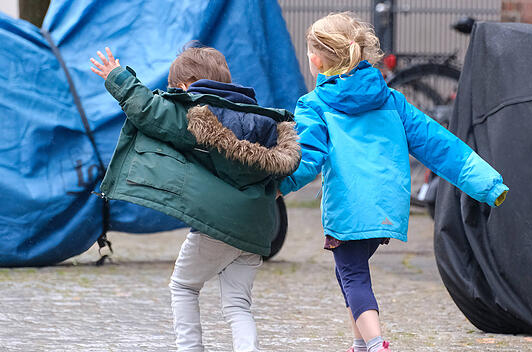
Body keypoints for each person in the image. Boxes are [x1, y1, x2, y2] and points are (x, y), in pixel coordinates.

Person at [278, 13, 509, 352]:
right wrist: (487, 183)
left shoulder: (314, 106)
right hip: (389, 206)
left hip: (351, 207)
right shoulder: (392, 99)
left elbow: (306, 160)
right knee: (348, 273)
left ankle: (375, 344)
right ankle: (359, 344)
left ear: (316, 60)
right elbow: (439, 145)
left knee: (353, 274)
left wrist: (272, 186)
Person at [90, 44, 300, 352]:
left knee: (184, 286)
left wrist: (117, 76)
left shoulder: (199, 114)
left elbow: (149, 110)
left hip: (217, 226)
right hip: (258, 228)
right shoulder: (264, 122)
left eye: (176, 90)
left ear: (187, 85)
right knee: (238, 305)